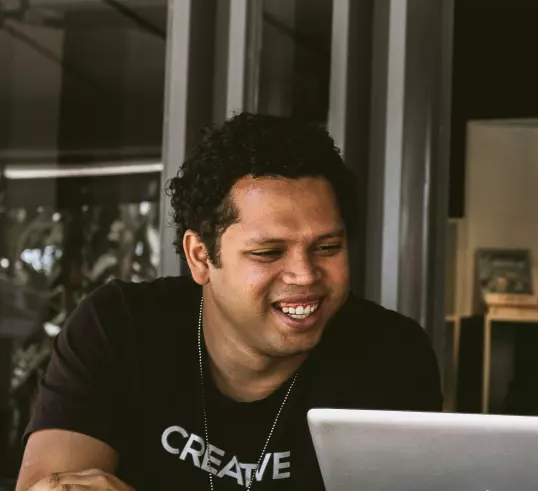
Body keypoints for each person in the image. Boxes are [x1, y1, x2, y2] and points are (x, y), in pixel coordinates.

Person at [17, 113, 442, 491]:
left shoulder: (391, 354)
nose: (305, 275)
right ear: (201, 256)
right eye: (268, 253)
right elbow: (51, 486)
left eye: (327, 247)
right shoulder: (120, 327)